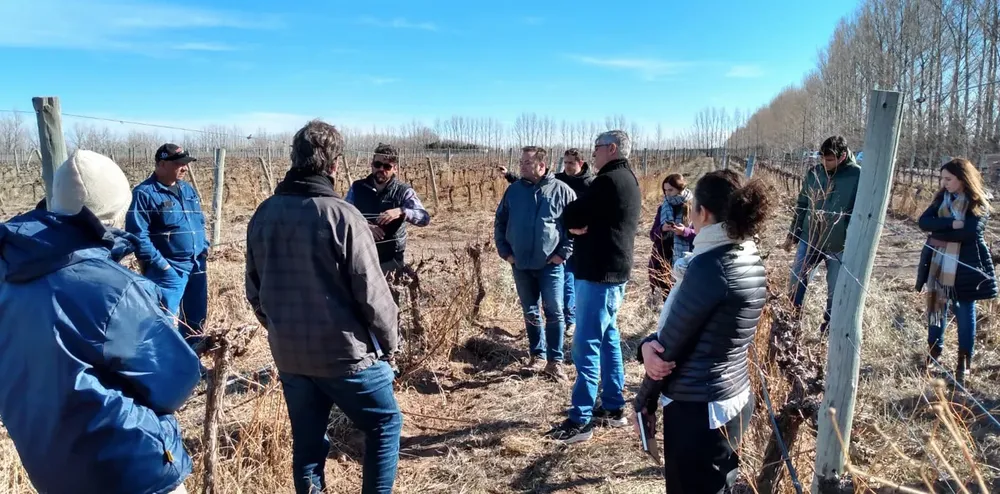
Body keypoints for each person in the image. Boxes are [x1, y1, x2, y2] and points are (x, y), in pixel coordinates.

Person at [0, 150, 201, 494]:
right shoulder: (116, 289)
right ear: (114, 214)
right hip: (129, 467)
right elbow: (176, 382)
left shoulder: (7, 267)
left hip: (49, 468)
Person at [245, 120, 402, 494]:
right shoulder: (343, 216)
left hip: (290, 354)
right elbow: (374, 296)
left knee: (308, 441)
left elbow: (254, 292)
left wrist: (281, 329)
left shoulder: (263, 214)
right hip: (345, 356)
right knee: (385, 424)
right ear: (334, 165)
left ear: (293, 159)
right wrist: (390, 345)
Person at [635, 169, 770, 493]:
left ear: (704, 213)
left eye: (693, 206)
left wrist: (644, 397)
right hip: (732, 396)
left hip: (698, 408)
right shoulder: (747, 255)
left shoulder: (710, 267)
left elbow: (668, 347)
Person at [546, 130, 642, 444]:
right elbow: (583, 218)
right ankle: (613, 407)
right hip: (613, 272)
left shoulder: (607, 181)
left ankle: (581, 420)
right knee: (609, 338)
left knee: (585, 345)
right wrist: (579, 223)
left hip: (598, 274)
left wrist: (575, 223)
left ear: (611, 148)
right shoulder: (629, 178)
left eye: (597, 147)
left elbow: (573, 213)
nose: (594, 152)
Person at [494, 146, 576, 379]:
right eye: (521, 162)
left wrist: (563, 254)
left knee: (554, 312)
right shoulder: (513, 191)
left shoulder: (562, 191)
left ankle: (555, 361)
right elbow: (500, 222)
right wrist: (505, 252)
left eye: (526, 163)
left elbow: (574, 228)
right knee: (530, 310)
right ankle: (537, 357)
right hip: (520, 264)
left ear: (542, 165)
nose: (521, 166)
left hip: (551, 265)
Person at [916, 158, 997, 384]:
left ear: (962, 179)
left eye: (949, 179)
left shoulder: (978, 203)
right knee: (935, 309)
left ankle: (964, 364)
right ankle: (934, 351)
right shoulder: (941, 198)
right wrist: (951, 224)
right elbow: (924, 222)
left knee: (964, 312)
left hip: (965, 268)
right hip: (938, 266)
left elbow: (969, 233)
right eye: (942, 178)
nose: (944, 183)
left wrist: (938, 233)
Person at [126, 143, 210, 352]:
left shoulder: (187, 189)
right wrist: (163, 266)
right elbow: (137, 235)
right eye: (179, 164)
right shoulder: (144, 193)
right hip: (169, 270)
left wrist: (204, 247)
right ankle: (162, 364)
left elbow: (198, 221)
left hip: (196, 265)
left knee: (196, 320)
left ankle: (192, 360)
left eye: (186, 164)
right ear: (161, 164)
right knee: (163, 323)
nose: (185, 168)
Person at [500, 149, 595, 333]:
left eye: (571, 163)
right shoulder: (550, 182)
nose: (567, 166)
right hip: (531, 258)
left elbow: (581, 219)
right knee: (538, 304)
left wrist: (565, 250)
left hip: (564, 250)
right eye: (565, 162)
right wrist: (506, 252)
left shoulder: (585, 185)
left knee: (564, 292)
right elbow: (502, 220)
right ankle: (543, 345)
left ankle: (570, 322)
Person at [782, 135, 860, 333]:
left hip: (839, 243)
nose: (825, 163)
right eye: (822, 158)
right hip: (810, 238)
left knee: (835, 288)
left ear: (842, 156)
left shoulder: (857, 176)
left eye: (830, 159)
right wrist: (793, 233)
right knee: (797, 278)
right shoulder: (815, 173)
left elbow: (861, 213)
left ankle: (829, 328)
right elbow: (802, 204)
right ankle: (791, 322)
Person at [346, 142, 431, 274]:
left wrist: (401, 211)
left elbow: (424, 218)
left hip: (391, 259)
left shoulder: (403, 191)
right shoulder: (357, 188)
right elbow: (345, 215)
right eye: (377, 164)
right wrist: (365, 226)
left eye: (387, 166)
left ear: (395, 168)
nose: (381, 169)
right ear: (371, 164)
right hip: (362, 256)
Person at [648, 174, 694, 301]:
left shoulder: (693, 207)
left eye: (670, 190)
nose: (667, 194)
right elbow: (652, 235)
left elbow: (701, 236)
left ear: (680, 189)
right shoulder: (663, 207)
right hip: (663, 260)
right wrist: (662, 229)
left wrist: (685, 232)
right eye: (665, 190)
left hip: (684, 262)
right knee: (666, 300)